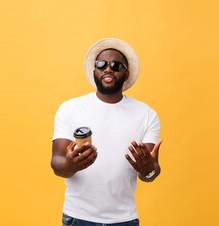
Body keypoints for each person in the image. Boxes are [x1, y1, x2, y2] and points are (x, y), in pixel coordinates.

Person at [51, 38, 162, 226]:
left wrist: (147, 169)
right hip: (77, 218)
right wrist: (72, 164)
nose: (108, 69)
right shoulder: (70, 108)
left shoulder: (146, 115)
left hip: (124, 220)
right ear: (94, 70)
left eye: (116, 65)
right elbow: (57, 165)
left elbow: (150, 173)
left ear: (126, 74)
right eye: (101, 64)